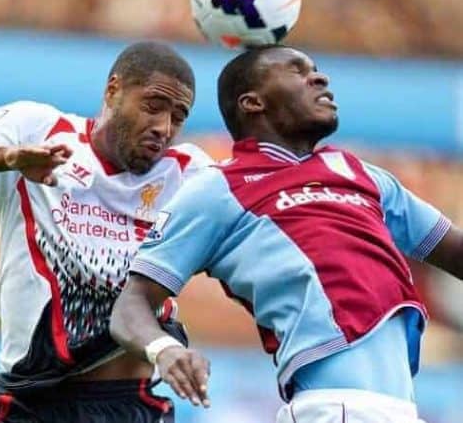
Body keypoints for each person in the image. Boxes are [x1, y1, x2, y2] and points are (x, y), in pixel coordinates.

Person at [109, 45, 463, 423]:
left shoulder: (361, 174)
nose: (320, 78)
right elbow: (131, 305)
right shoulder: (218, 189)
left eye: (316, 68)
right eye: (297, 71)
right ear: (252, 103)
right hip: (334, 410)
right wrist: (163, 348)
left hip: (402, 411)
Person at [0, 41, 213, 423]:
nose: (163, 128)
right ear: (113, 90)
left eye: (178, 117)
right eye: (152, 106)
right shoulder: (38, 129)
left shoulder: (189, 173)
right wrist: (7, 158)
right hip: (29, 399)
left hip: (126, 404)